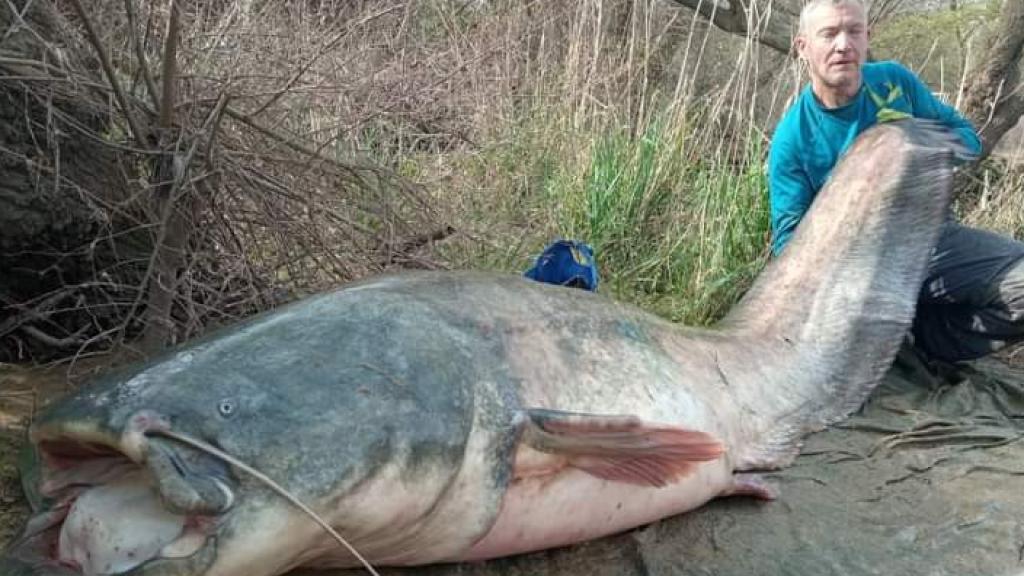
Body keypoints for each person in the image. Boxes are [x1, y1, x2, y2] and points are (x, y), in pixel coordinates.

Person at [768, 0, 1024, 363]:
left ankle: (928, 339)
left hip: (931, 239)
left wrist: (917, 146)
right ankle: (892, 340)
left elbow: (968, 139)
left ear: (867, 37)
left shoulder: (894, 81)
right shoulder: (792, 139)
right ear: (803, 47)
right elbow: (787, 245)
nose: (843, 45)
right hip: (854, 269)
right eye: (829, 34)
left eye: (854, 31)